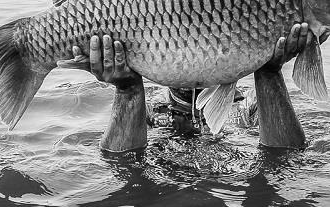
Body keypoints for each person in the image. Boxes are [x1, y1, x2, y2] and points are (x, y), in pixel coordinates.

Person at [68, 23, 313, 152]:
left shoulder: (249, 106)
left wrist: (268, 71)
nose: (194, 58)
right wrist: (128, 90)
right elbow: (121, 166)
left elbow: (286, 160)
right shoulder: (150, 114)